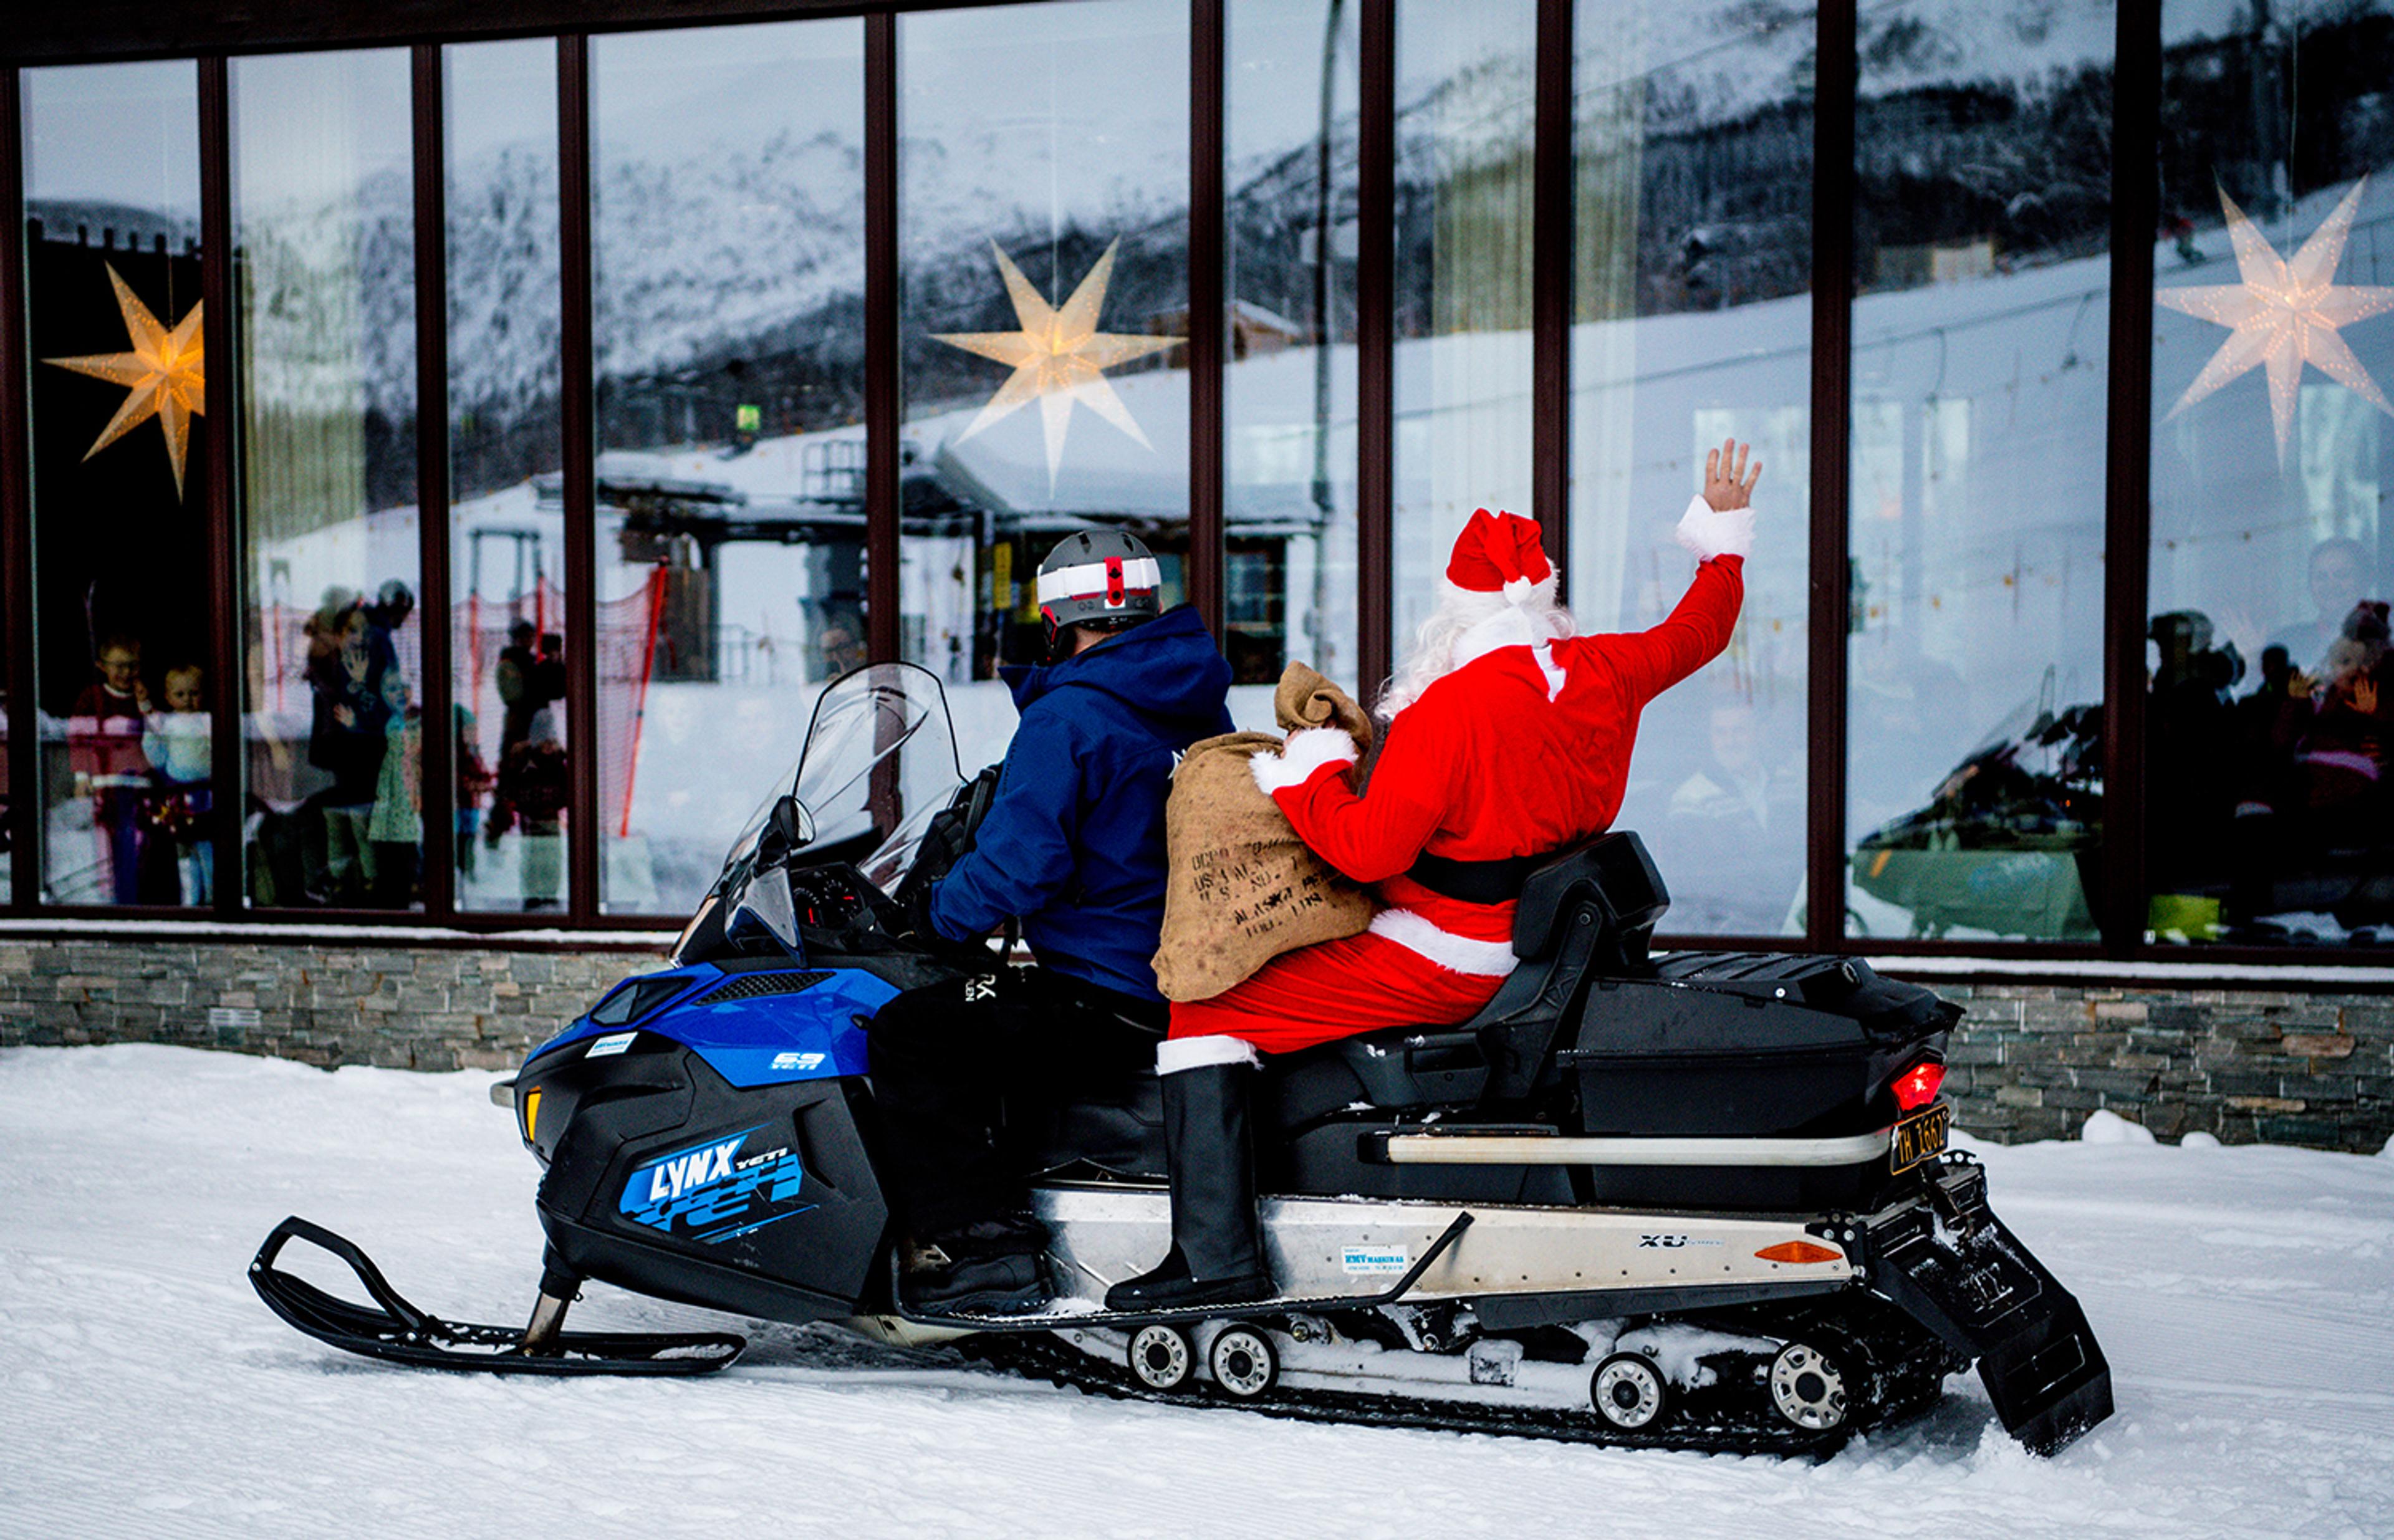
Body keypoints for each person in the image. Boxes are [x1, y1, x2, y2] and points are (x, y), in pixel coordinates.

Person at [1107, 441, 1759, 1311]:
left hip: (1448, 951)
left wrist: (1308, 775)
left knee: (1205, 1005)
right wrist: (1722, 538)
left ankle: (1216, 1258)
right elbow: (1701, 629)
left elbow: (1367, 852)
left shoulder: (1446, 711)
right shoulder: (1604, 668)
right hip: (1531, 943)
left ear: (1458, 616)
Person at [868, 529, 1234, 1312]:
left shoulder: (1068, 715)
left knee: (912, 1032)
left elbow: (1021, 863)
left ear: (1056, 620)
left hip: (1107, 990)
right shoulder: (1195, 702)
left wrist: (935, 914)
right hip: (1180, 978)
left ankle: (984, 1253)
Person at [70, 634, 153, 903]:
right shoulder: (92, 697)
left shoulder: (144, 697)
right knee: (106, 843)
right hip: (104, 783)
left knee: (138, 841)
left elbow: (160, 733)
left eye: (132, 666)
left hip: (139, 783)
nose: (126, 673)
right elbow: (78, 738)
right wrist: (82, 777)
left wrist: (146, 706)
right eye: (119, 666)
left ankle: (136, 895)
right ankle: (112, 899)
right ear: (101, 666)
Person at [143, 663, 213, 905]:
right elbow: (156, 752)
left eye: (194, 693)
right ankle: (190, 899)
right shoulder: (168, 723)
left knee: (207, 846)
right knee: (184, 848)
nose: (188, 700)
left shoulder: (207, 721)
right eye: (180, 695)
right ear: (168, 697)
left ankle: (214, 896)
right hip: (178, 792)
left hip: (205, 791)